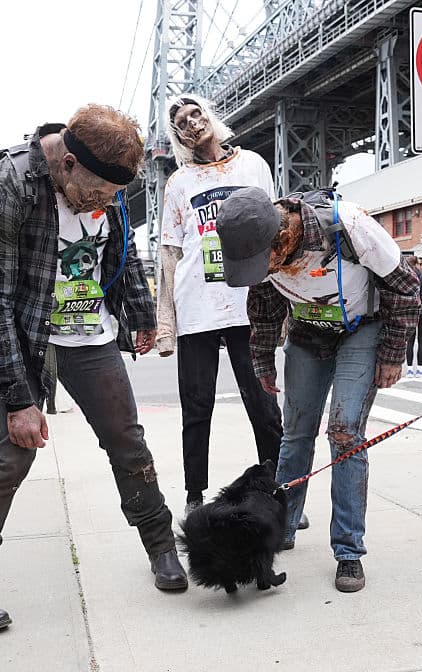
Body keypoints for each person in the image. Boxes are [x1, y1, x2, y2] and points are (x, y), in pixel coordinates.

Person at [0, 105, 188, 634]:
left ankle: (162, 547)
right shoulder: (8, 186)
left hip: (90, 336)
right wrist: (18, 398)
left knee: (128, 442)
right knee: (10, 456)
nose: (106, 205)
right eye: (98, 194)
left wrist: (141, 315)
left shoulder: (110, 187)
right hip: (26, 339)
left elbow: (119, 256)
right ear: (69, 162)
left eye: (114, 198)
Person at [215, 186, 420, 593]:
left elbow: (405, 288)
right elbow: (264, 308)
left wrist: (393, 355)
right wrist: (263, 362)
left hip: (362, 330)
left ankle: (348, 551)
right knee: (294, 436)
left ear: (280, 239)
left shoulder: (350, 226)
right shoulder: (261, 256)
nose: (261, 270)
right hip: (308, 333)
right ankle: (283, 527)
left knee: (345, 435)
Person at [155, 94, 285, 519]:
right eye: (181, 123)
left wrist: (284, 307)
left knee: (263, 406)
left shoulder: (253, 167)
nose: (192, 124)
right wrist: (165, 324)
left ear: (210, 117)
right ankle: (195, 497)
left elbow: (275, 233)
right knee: (197, 409)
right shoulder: (178, 184)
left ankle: (280, 491)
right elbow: (170, 254)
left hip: (249, 305)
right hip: (197, 308)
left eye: (196, 115)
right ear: (178, 137)